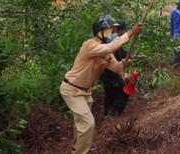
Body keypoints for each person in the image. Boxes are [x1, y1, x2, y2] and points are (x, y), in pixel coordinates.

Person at [59, 15, 142, 154]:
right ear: (100, 32)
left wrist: (123, 67)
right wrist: (130, 33)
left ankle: (77, 146)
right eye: (110, 31)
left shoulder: (105, 50)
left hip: (85, 91)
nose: (113, 34)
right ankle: (81, 151)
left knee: (81, 122)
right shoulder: (90, 45)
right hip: (72, 89)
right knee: (88, 123)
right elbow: (111, 46)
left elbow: (115, 66)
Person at [99, 19, 146, 117]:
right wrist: (123, 75)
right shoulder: (111, 43)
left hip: (111, 73)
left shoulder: (118, 44)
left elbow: (124, 54)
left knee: (111, 94)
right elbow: (112, 63)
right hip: (109, 74)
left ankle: (108, 114)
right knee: (123, 91)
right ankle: (114, 115)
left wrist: (137, 56)